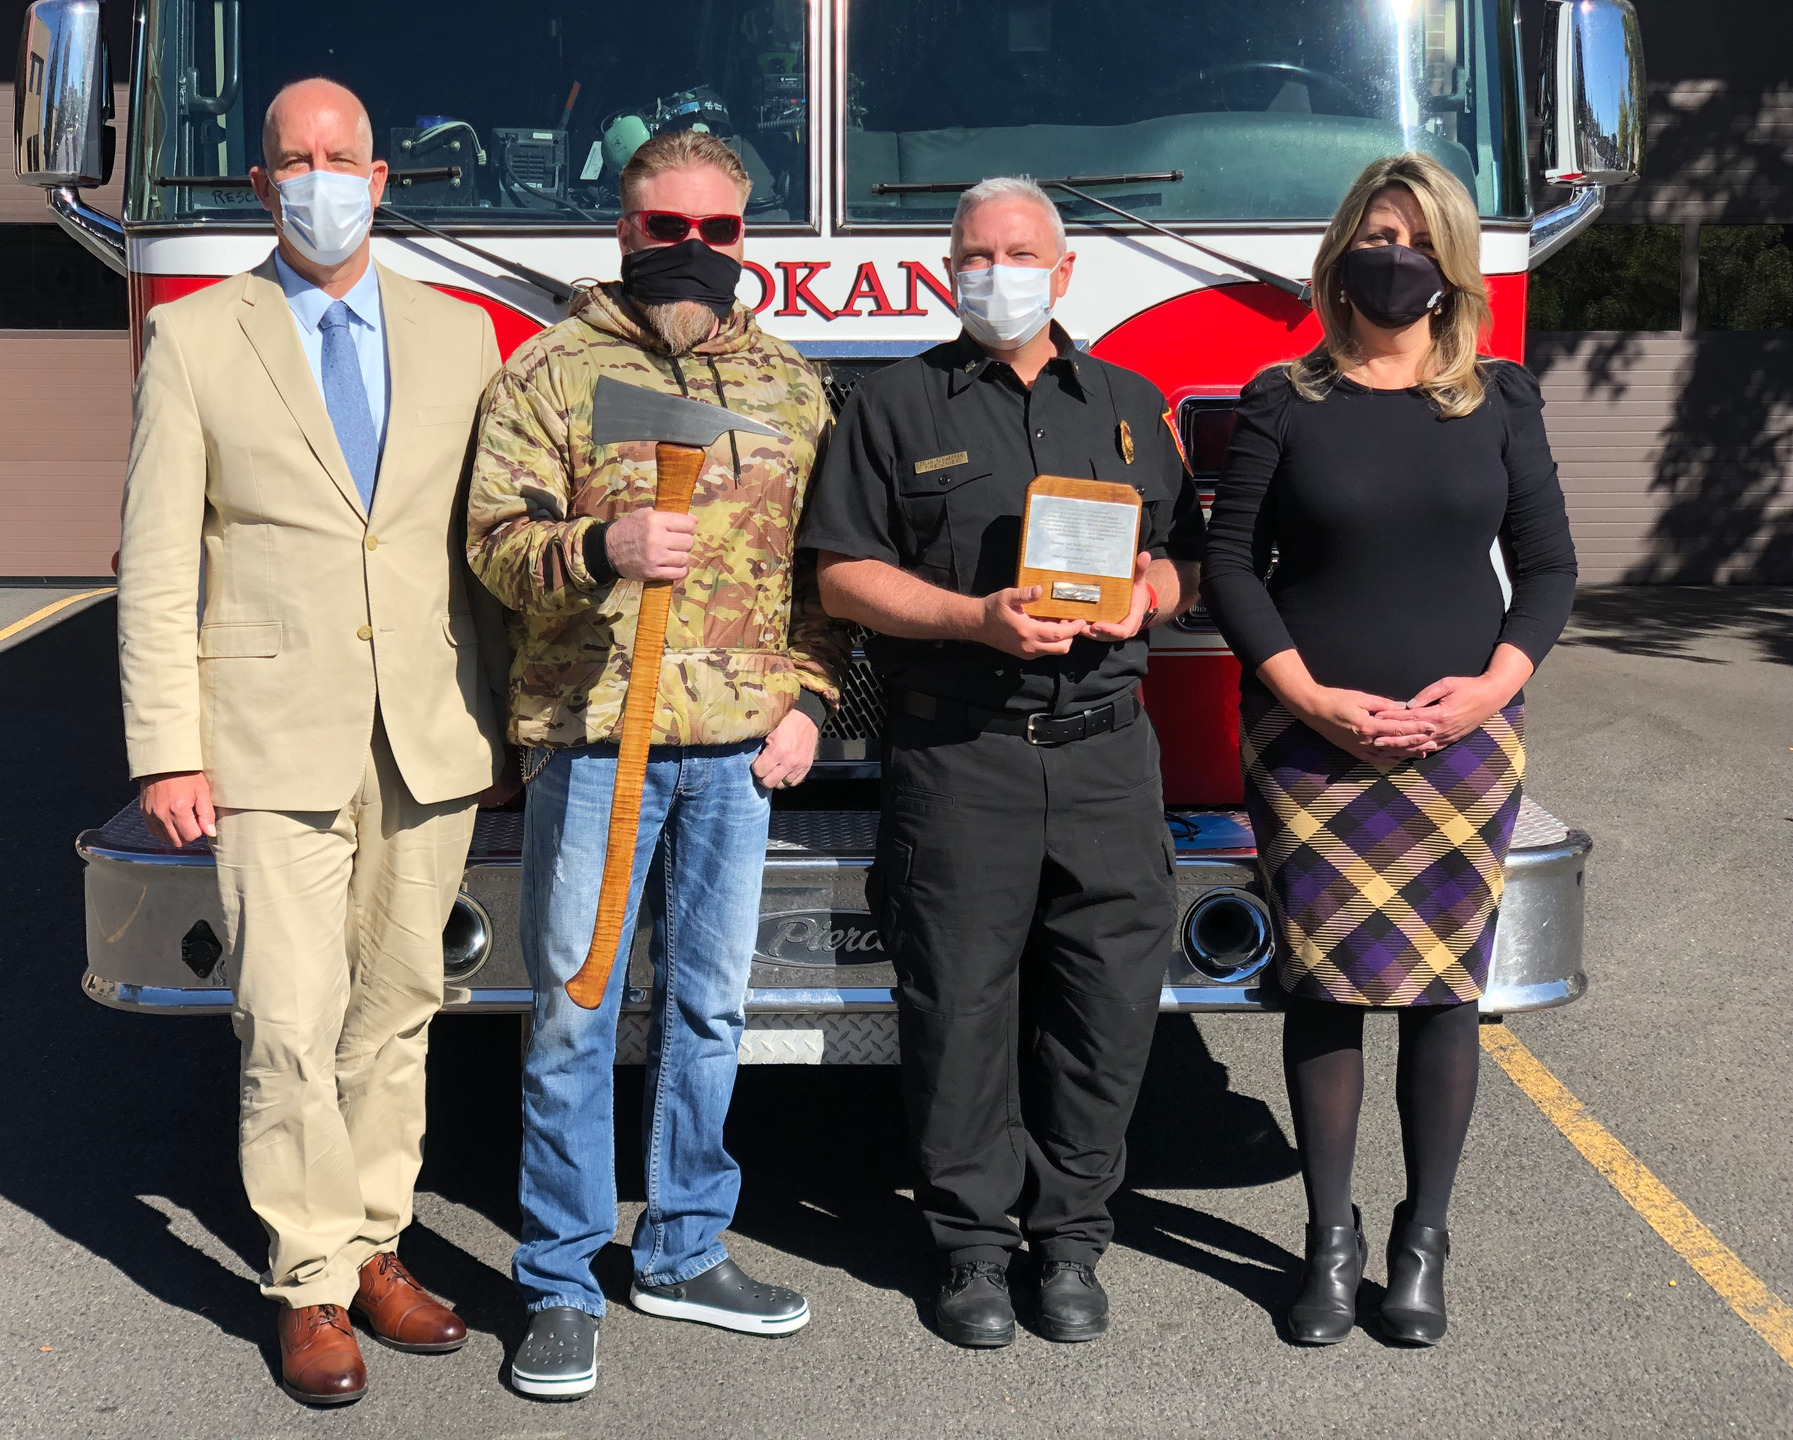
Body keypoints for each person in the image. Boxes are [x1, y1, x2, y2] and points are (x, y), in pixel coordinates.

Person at [118, 78, 513, 1405]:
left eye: (341, 156)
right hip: (264, 735)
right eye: (294, 159)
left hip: (429, 729)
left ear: (382, 177)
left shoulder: (461, 339)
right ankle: (307, 1283)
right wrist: (166, 749)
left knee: (400, 1010)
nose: (320, 177)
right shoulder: (196, 341)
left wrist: (509, 717)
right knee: (287, 1020)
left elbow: (484, 551)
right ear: (262, 185)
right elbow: (160, 563)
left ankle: (377, 1247)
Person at [466, 128, 847, 1399]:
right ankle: (561, 1280)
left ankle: (683, 1249)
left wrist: (809, 696)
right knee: (574, 1018)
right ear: (622, 233)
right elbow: (491, 548)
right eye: (663, 229)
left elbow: (824, 578)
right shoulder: (547, 374)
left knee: (710, 1011)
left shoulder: (792, 387)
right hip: (595, 746)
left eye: (716, 231)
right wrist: (598, 544)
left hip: (741, 752)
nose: (690, 252)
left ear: (747, 239)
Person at [802, 176, 1204, 1348]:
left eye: (1021, 253)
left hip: (1108, 758)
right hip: (958, 754)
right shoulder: (891, 407)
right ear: (947, 272)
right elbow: (839, 576)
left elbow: (1181, 559)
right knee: (958, 1010)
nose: (998, 273)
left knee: (1107, 1002)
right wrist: (975, 620)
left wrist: (1148, 594)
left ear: (1066, 272)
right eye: (975, 256)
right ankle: (972, 1249)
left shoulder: (1132, 406)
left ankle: (1072, 1237)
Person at [1200, 152, 1577, 1347]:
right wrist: (1305, 694)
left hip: (1463, 749)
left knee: (1440, 998)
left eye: (1415, 239)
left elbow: (1552, 568)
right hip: (1310, 746)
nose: (1393, 257)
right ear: (1339, 257)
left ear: (1449, 262)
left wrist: (1491, 691)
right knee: (1322, 989)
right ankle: (1329, 1240)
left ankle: (1421, 1239)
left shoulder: (1501, 399)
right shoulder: (1284, 397)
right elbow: (1227, 569)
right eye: (1374, 235)